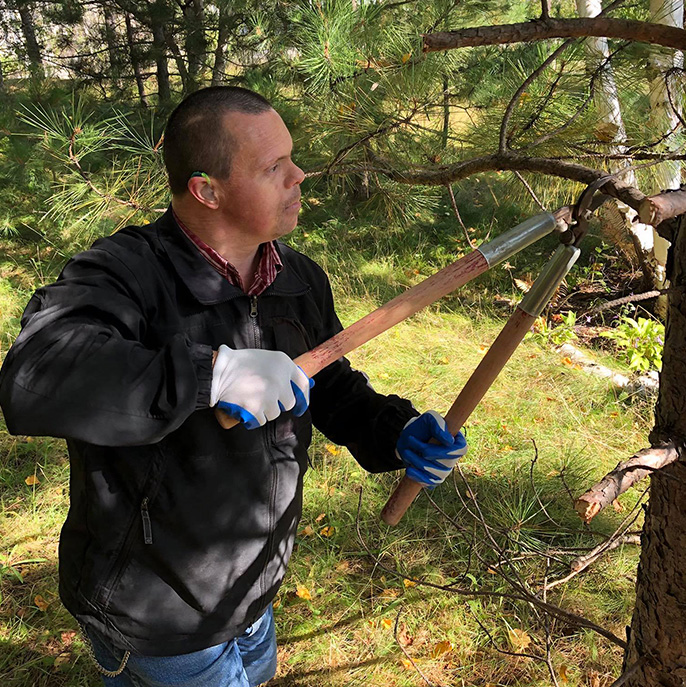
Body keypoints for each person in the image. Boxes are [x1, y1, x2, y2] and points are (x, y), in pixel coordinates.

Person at [0, 86, 467, 687]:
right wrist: (212, 373)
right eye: (274, 168)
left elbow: (328, 385)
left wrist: (394, 431)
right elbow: (37, 376)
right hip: (159, 612)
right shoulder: (125, 273)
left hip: (254, 588)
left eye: (292, 159)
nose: (300, 175)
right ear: (207, 190)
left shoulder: (295, 276)